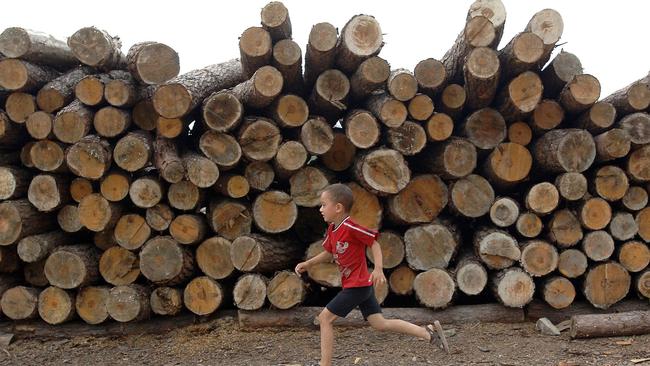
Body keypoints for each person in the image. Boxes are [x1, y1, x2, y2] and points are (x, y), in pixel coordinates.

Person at [295, 183, 449, 366]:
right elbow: (329, 252)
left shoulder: (351, 227)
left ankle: (324, 364)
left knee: (324, 319)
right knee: (380, 324)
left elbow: (373, 243)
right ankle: (428, 333)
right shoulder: (332, 230)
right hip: (361, 287)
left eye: (323, 204)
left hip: (357, 286)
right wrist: (308, 263)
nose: (320, 209)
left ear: (338, 208)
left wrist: (378, 269)